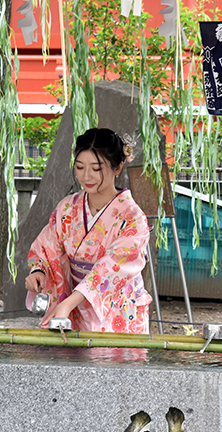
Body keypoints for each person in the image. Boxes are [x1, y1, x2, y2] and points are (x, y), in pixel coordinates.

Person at [25, 128, 152, 333]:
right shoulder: (68, 207)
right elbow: (46, 246)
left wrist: (67, 304)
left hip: (116, 307)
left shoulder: (132, 218)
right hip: (73, 307)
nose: (86, 176)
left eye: (96, 168)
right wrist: (38, 270)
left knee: (112, 362)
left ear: (118, 167)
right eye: (80, 167)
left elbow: (111, 268)